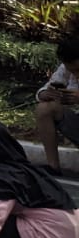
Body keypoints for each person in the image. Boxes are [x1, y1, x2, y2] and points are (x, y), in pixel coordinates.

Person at [34, 39, 79, 176]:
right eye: (72, 70)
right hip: (75, 121)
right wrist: (45, 94)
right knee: (44, 108)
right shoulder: (65, 69)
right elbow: (46, 88)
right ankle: (53, 166)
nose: (75, 74)